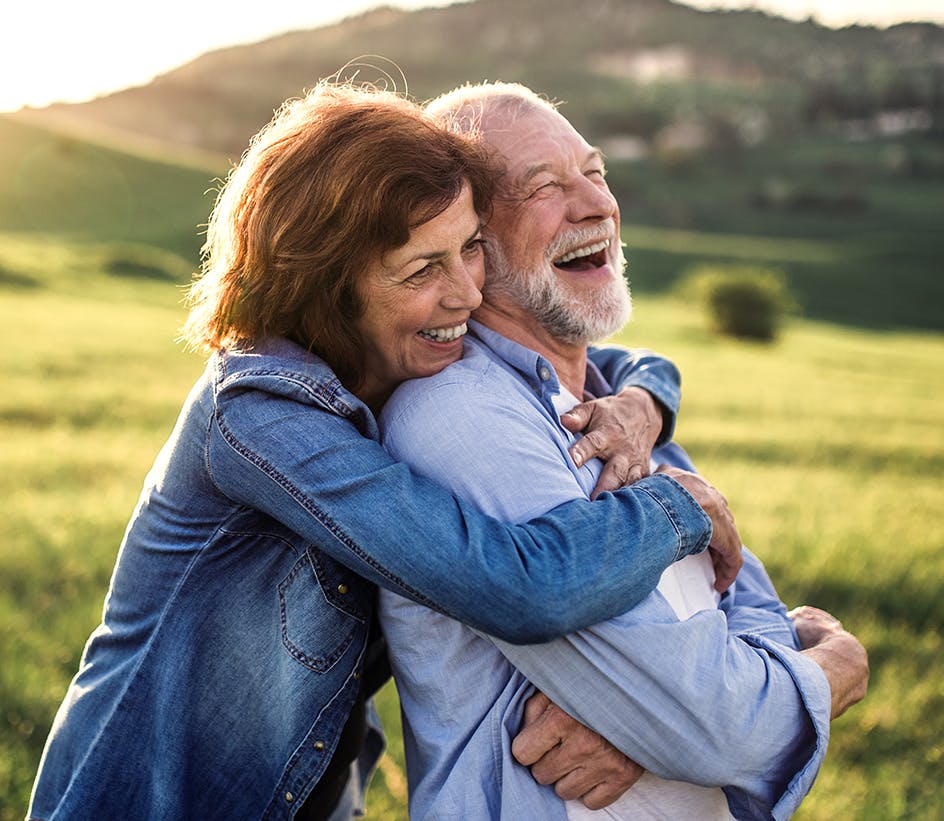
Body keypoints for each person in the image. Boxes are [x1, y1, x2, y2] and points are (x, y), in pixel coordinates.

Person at [25, 82, 744, 821]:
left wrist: (642, 403)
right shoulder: (260, 415)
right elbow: (517, 586)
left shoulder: (395, 364)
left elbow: (617, 362)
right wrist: (676, 505)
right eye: (423, 270)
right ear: (329, 288)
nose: (467, 292)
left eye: (469, 248)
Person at [378, 82, 869, 820]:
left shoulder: (618, 409)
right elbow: (718, 725)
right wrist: (835, 665)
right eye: (545, 186)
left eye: (596, 173)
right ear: (470, 243)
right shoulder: (461, 418)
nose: (597, 205)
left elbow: (748, 607)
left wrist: (654, 723)